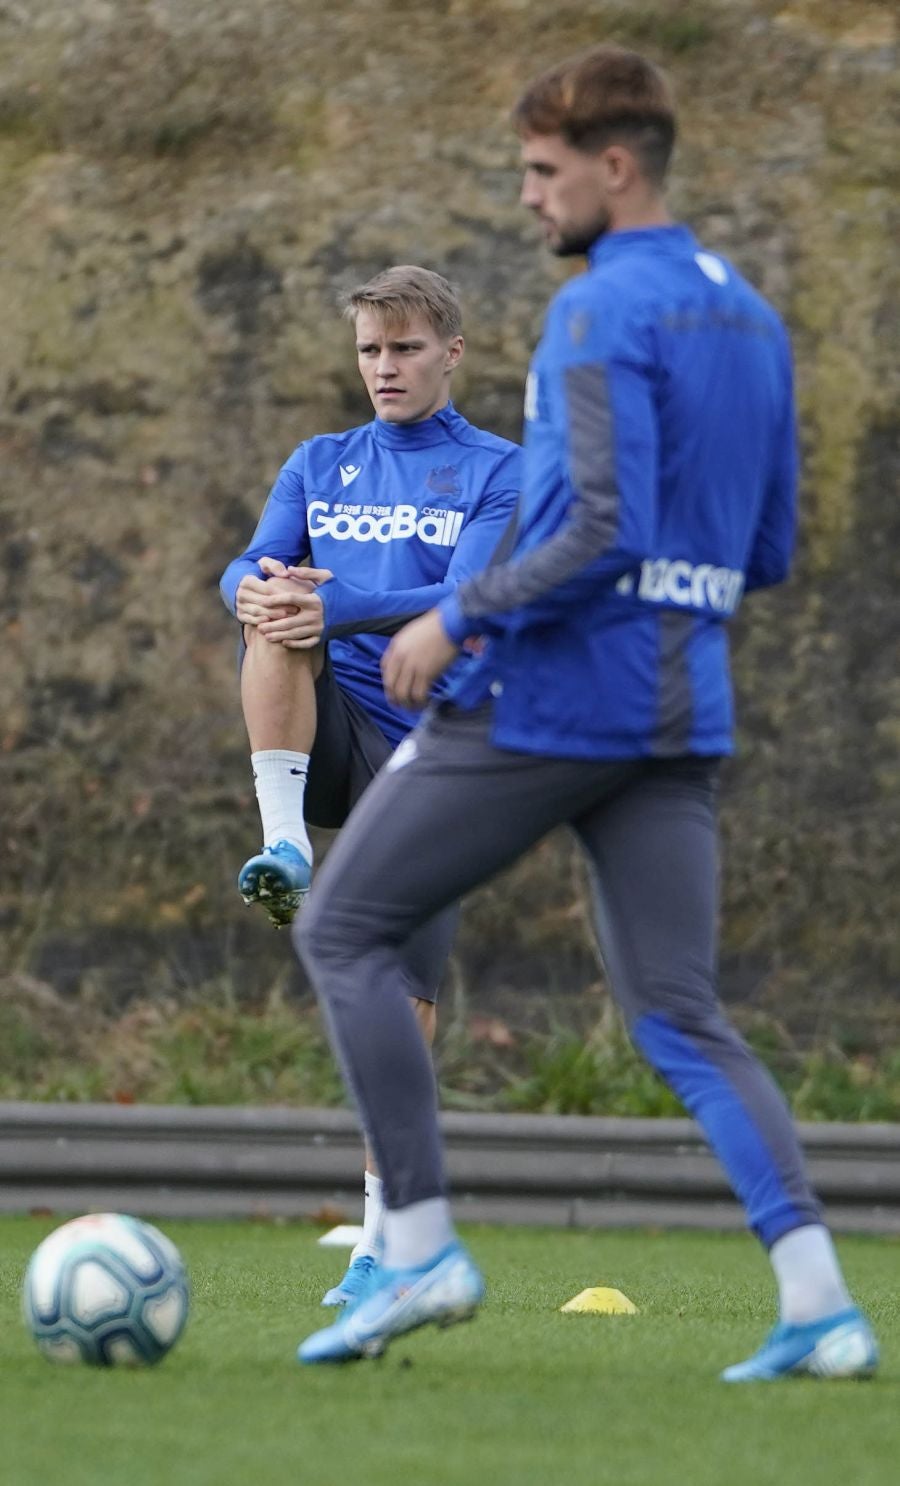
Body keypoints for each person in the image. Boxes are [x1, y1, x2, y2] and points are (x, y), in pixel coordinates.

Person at [293, 46, 879, 1381]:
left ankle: (421, 1243)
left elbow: (599, 523)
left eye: (543, 172)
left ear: (618, 167)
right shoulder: (755, 315)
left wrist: (458, 615)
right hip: (685, 702)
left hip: (558, 694)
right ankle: (820, 1304)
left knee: (341, 926)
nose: (526, 197)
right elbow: (773, 547)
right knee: (681, 1012)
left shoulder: (597, 312)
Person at [219, 265, 521, 1304]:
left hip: (438, 745)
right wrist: (271, 593)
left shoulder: (498, 470)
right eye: (368, 350)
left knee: (405, 993)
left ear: (451, 351)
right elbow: (245, 564)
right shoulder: (319, 460)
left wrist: (333, 603)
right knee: (269, 614)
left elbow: (471, 595)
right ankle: (285, 841)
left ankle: (382, 1240)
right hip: (334, 723)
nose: (383, 368)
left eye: (403, 348)